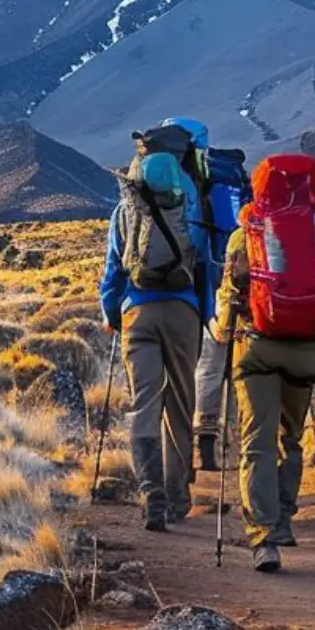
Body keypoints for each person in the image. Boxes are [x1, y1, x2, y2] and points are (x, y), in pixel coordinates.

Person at [209, 154, 315, 573]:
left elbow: (231, 291)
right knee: (291, 437)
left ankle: (263, 536)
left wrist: (223, 330)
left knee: (256, 441)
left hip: (258, 345)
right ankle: (283, 519)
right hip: (306, 345)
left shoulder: (249, 229)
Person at [100, 129, 212, 532]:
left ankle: (152, 496)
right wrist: (207, 315)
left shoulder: (125, 212)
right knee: (181, 405)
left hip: (137, 314)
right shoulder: (191, 208)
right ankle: (178, 498)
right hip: (183, 311)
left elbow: (113, 269)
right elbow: (203, 267)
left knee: (144, 404)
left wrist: (112, 311)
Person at [157, 117, 249, 474]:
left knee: (202, 368)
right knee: (225, 362)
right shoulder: (230, 177)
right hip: (228, 283)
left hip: (187, 289)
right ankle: (228, 447)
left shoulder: (176, 184)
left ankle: (198, 447)